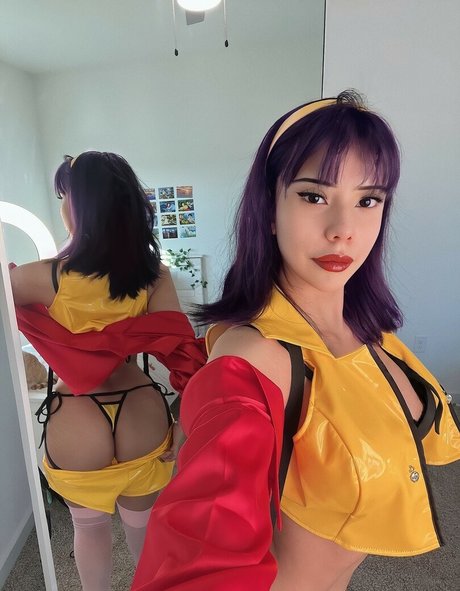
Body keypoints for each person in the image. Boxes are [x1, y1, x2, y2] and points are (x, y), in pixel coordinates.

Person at [132, 92, 460, 591]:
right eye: (313, 196)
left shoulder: (373, 334)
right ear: (269, 208)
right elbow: (200, 549)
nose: (343, 231)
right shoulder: (255, 358)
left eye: (367, 200)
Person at [10, 152, 206, 591]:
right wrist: (186, 422)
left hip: (77, 411)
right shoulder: (153, 275)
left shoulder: (40, 277)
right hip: (140, 406)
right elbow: (182, 353)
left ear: (81, 205)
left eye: (64, 196)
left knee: (88, 527)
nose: (62, 206)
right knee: (143, 526)